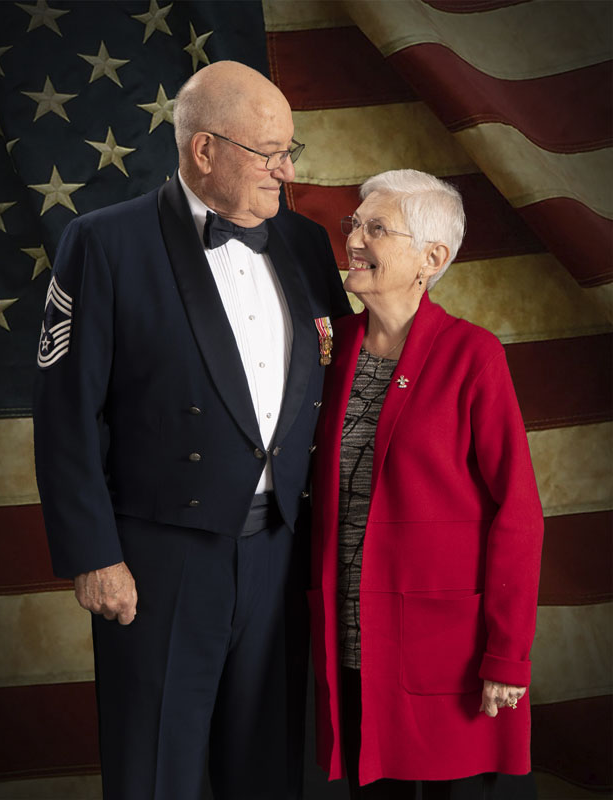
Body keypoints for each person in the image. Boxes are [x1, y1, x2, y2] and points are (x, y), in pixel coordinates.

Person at [33, 60, 351, 800]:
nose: (286, 171)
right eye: (268, 153)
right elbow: (66, 413)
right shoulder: (104, 242)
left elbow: (333, 383)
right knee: (155, 773)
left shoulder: (304, 242)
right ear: (205, 150)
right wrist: (94, 556)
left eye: (290, 151)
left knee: (269, 770)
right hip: (158, 560)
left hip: (281, 549)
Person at [308, 169, 544, 800]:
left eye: (376, 228)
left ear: (431, 259)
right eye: (354, 223)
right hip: (350, 641)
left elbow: (519, 514)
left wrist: (507, 655)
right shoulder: (330, 348)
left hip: (446, 648)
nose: (354, 238)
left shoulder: (473, 355)